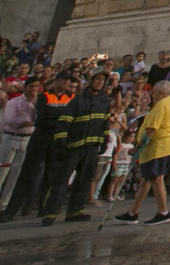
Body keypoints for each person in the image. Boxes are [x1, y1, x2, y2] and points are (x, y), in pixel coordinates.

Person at [41, 69, 112, 224]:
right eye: (97, 79)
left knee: (85, 180)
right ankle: (50, 213)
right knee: (61, 180)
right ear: (91, 80)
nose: (100, 82)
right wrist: (60, 142)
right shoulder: (78, 100)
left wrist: (104, 139)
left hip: (92, 146)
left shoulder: (104, 101)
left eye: (102, 80)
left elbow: (105, 123)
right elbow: (65, 121)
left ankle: (75, 211)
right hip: (74, 146)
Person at [0, 72, 71, 222]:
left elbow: (68, 114)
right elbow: (45, 114)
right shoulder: (44, 96)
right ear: (57, 81)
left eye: (68, 81)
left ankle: (43, 209)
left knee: (50, 176)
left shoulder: (70, 97)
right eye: (63, 80)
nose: (66, 83)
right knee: (27, 173)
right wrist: (60, 115)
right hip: (40, 137)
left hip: (56, 139)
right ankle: (10, 211)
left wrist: (56, 115)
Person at [115, 79, 170, 225]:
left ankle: (163, 212)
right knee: (146, 180)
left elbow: (151, 129)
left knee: (156, 179)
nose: (151, 94)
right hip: (165, 146)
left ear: (160, 92)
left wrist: (138, 148)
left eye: (154, 91)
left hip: (158, 147)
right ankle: (133, 212)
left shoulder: (161, 105)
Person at [0, 77, 39, 211]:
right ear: (26, 87)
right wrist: (23, 122)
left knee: (15, 174)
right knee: (2, 172)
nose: (34, 89)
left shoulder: (37, 103)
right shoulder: (14, 102)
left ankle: (4, 204)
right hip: (12, 137)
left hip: (26, 138)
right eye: (31, 86)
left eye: (36, 87)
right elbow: (9, 119)